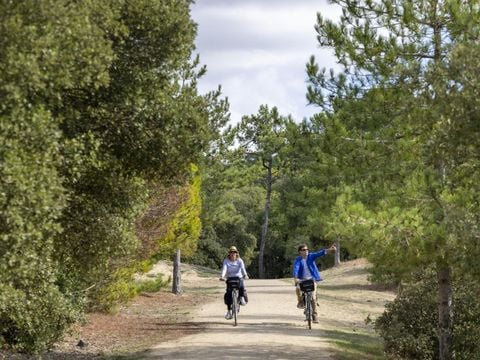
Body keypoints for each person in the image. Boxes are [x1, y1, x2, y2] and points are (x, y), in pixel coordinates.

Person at [292, 243, 336, 323]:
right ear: (300, 252)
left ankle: (315, 316)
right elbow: (296, 268)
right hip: (302, 279)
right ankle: (301, 301)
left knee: (313, 297)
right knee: (298, 289)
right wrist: (295, 278)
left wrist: (329, 250)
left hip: (313, 279)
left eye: (307, 249)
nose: (306, 251)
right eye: (304, 250)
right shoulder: (298, 260)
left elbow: (320, 253)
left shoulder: (311, 256)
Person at [219, 245, 249, 320]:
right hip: (230, 278)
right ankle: (229, 311)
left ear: (236, 253)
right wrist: (222, 276)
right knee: (228, 294)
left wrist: (245, 275)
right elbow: (224, 269)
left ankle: (241, 297)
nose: (233, 254)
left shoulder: (239, 260)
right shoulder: (226, 260)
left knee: (242, 285)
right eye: (231, 252)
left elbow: (243, 268)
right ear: (229, 253)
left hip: (238, 277)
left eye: (234, 252)